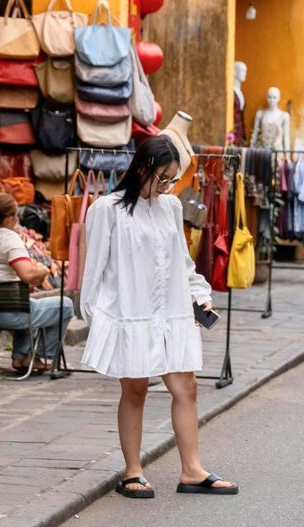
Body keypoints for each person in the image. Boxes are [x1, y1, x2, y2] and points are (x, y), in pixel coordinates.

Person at [78, 134, 238, 500]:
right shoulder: (107, 210)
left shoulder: (171, 208)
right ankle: (133, 471)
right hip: (130, 314)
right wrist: (97, 318)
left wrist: (200, 295)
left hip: (172, 313)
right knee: (134, 390)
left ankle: (192, 470)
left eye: (171, 180)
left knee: (187, 387)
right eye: (162, 178)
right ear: (142, 168)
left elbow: (182, 261)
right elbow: (95, 270)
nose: (166, 186)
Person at [0, 192, 75, 375]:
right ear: (8, 219)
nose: (17, 220)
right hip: (11, 313)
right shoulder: (8, 239)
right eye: (16, 216)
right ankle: (39, 357)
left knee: (31, 304)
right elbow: (27, 275)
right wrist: (44, 270)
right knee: (65, 305)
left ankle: (21, 356)